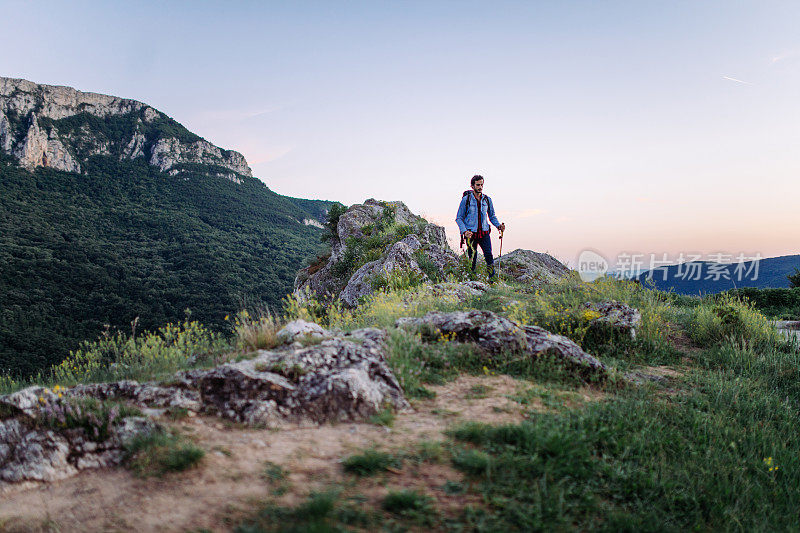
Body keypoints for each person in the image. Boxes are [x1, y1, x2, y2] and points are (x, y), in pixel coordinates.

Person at [455, 175, 506, 279]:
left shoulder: (487, 200)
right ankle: (472, 280)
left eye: (482, 185)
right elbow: (459, 218)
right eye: (478, 185)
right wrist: (464, 232)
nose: (480, 187)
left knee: (489, 256)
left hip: (484, 233)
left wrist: (498, 226)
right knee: (472, 258)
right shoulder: (466, 200)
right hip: (471, 234)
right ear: (472, 186)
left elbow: (492, 216)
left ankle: (492, 280)